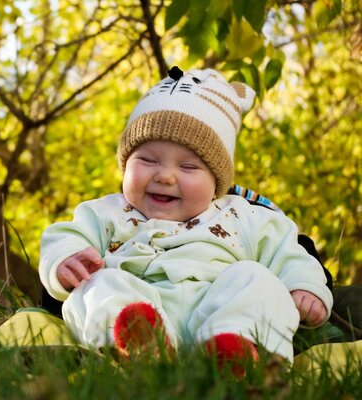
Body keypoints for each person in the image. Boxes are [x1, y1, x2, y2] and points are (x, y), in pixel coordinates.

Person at [39, 67, 333, 369]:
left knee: (257, 279)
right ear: (125, 165)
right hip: (139, 303)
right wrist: (65, 259)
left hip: (218, 308)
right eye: (147, 160)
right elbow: (65, 236)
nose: (164, 175)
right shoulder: (105, 212)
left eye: (189, 167)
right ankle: (136, 344)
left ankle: (234, 348)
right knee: (97, 285)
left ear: (216, 181)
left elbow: (289, 253)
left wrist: (304, 287)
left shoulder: (244, 215)